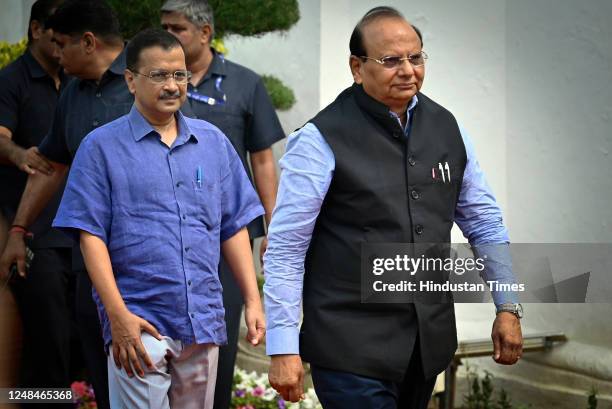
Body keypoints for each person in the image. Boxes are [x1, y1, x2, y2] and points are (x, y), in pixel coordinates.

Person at [263, 7, 524, 409]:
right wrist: (282, 346)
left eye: (415, 57)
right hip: (349, 346)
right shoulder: (319, 140)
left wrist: (507, 305)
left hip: (426, 345)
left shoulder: (447, 127)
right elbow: (286, 248)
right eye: (390, 60)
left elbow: (484, 223)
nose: (407, 70)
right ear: (356, 66)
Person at [53, 28, 266, 409]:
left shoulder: (212, 142)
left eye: (179, 75)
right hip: (139, 321)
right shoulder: (100, 147)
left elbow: (233, 224)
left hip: (202, 320)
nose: (172, 85)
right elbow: (90, 235)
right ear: (131, 80)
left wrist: (252, 299)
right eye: (159, 75)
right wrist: (117, 316)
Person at [0, 1, 132, 407]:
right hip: (56, 242)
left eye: (64, 44)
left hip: (132, 260)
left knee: (133, 369)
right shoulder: (24, 82)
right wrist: (19, 231)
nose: (58, 54)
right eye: (53, 42)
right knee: (53, 348)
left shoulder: (142, 82)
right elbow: (51, 163)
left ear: (88, 42)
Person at [160, 2, 285, 407]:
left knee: (219, 331)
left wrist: (272, 226)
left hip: (224, 235)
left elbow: (262, 159)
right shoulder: (155, 82)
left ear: (205, 33)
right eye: (163, 27)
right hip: (161, 232)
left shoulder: (244, 84)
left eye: (177, 28)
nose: (168, 35)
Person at [0, 1, 79, 404]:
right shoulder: (11, 80)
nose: (63, 42)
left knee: (75, 341)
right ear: (35, 30)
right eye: (56, 33)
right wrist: (19, 155)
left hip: (79, 234)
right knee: (46, 340)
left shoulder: (76, 79)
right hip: (35, 232)